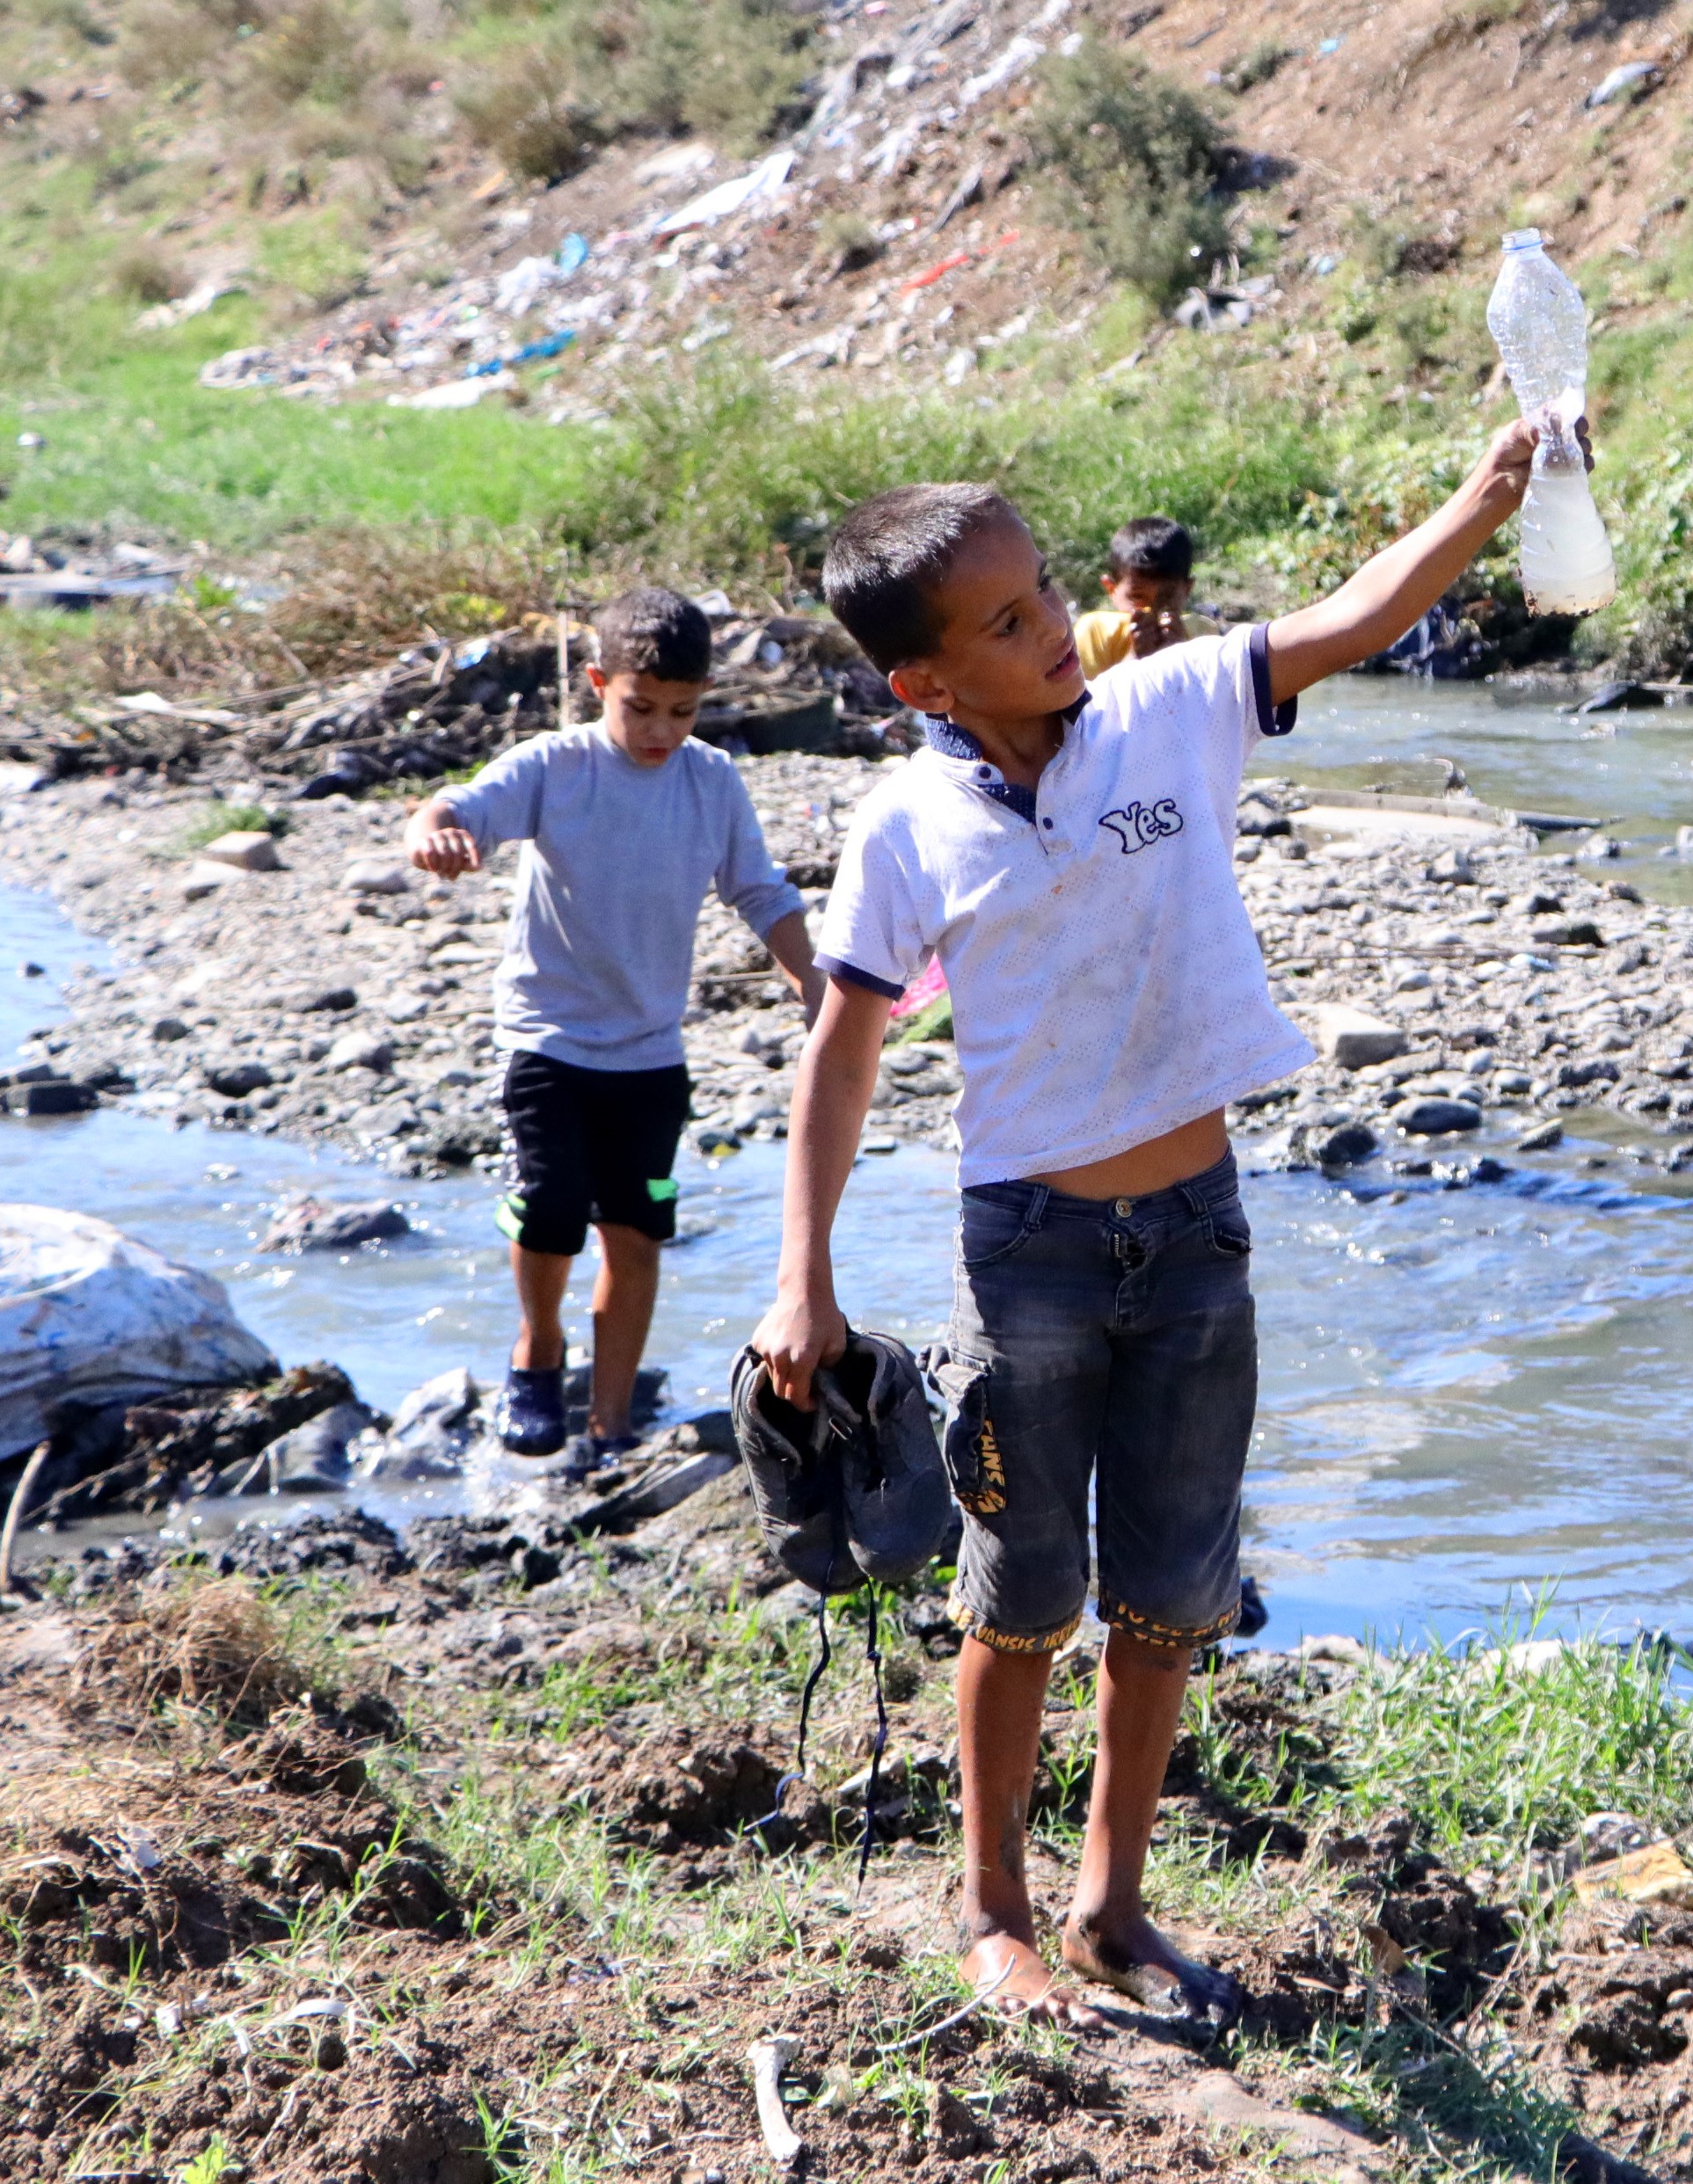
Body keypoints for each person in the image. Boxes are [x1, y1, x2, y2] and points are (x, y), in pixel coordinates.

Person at [749, 414, 1560, 2026]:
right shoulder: (905, 826)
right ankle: (996, 1909)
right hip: (1029, 1248)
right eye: (1001, 621)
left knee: (1169, 1593)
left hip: (1197, 1234)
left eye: (1042, 588)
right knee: (1020, 1592)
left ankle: (1114, 1905)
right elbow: (842, 1051)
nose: (1050, 623)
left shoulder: (1170, 708)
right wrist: (803, 1278)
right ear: (922, 684)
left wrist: (1483, 493)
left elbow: (1357, 614)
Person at [407, 587, 824, 1464]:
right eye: (640, 708)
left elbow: (760, 891)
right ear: (599, 683)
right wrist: (433, 834)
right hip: (546, 1039)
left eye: (683, 711)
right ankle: (538, 1351)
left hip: (649, 1054)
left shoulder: (710, 781)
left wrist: (814, 983)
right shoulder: (557, 768)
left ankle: (610, 1422)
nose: (661, 730)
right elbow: (456, 808)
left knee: (636, 1235)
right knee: (552, 1209)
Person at [1070, 514, 1222, 679]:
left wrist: (1181, 654)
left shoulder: (1202, 633)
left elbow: (1214, 696)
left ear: (1187, 589)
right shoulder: (1096, 633)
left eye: (1167, 597)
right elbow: (1089, 700)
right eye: (1137, 597)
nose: (1152, 610)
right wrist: (1134, 659)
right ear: (1111, 588)